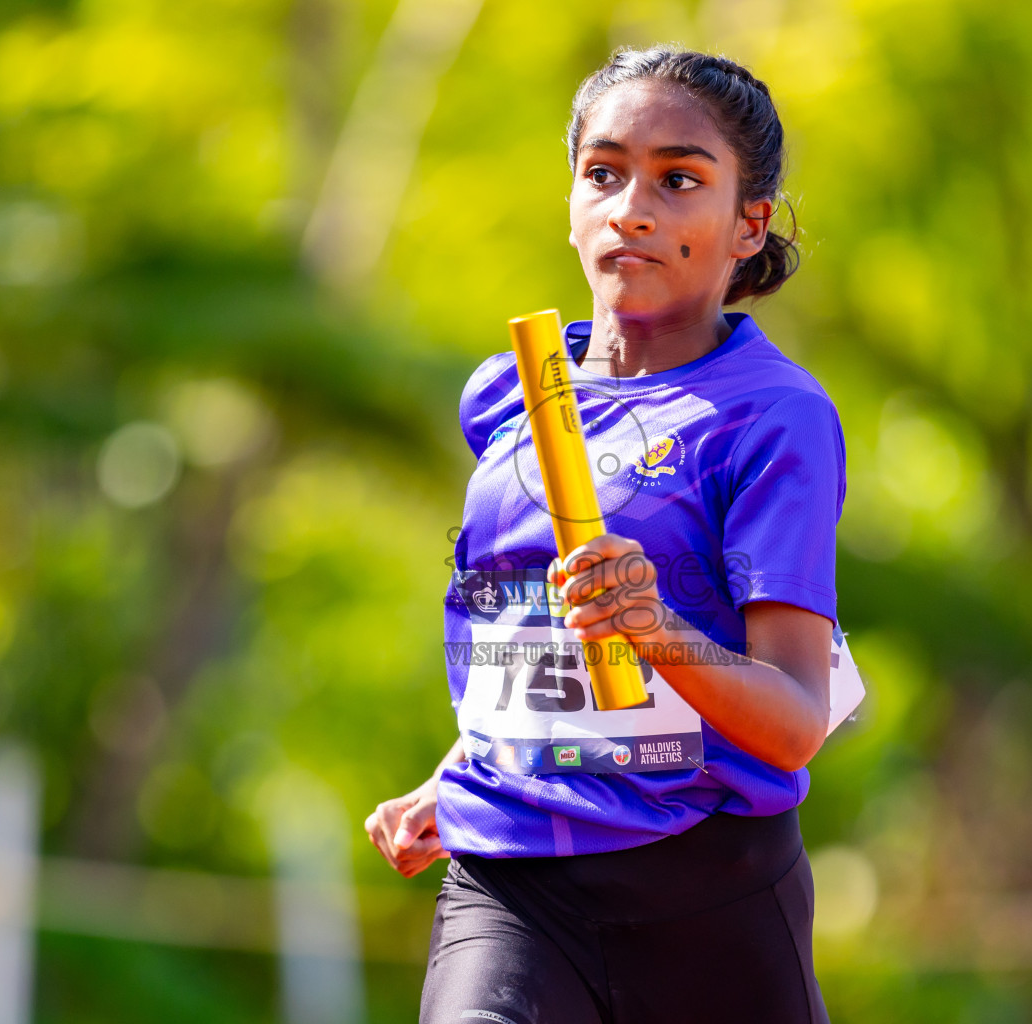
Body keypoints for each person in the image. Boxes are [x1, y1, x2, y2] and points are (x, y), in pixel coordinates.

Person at [366, 45, 858, 1024]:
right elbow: (523, 627)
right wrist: (466, 769)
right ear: (571, 202)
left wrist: (655, 628)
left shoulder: (774, 418)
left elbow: (800, 712)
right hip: (513, 876)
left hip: (707, 889)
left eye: (679, 180)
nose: (632, 205)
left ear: (747, 225)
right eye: (604, 172)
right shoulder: (507, 394)